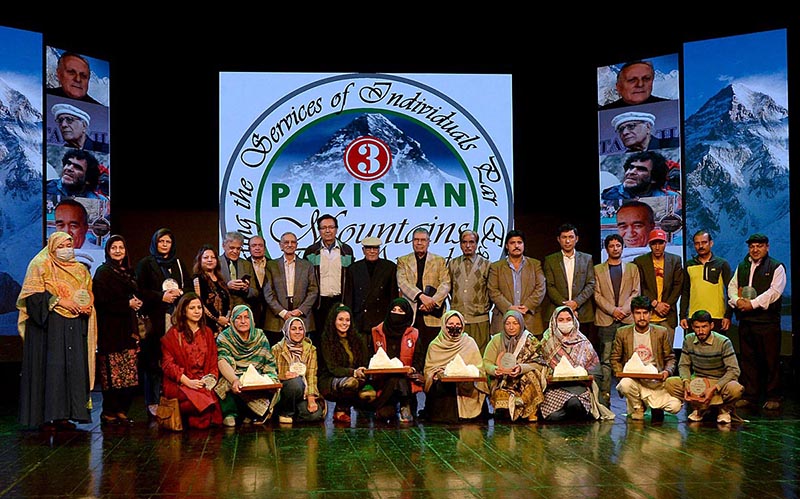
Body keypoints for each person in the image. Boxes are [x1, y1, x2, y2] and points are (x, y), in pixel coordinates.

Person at [17, 232, 97, 430]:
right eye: (61, 245)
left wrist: (87, 307)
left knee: (72, 370)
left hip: (74, 325)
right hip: (49, 329)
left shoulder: (80, 270)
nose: (66, 249)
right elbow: (32, 298)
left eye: (69, 244)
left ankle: (66, 415)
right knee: (51, 370)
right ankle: (47, 417)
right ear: (52, 246)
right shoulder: (40, 265)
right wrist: (60, 301)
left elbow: (86, 294)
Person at [727, 233, 786, 411]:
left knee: (770, 360)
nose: (755, 249)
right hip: (746, 321)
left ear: (767, 247)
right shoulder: (743, 266)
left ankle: (773, 395)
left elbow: (774, 292)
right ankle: (750, 395)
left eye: (759, 246)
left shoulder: (776, 267)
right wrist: (737, 301)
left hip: (767, 322)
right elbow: (732, 286)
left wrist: (752, 304)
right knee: (748, 360)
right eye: (752, 246)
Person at [135, 227, 189, 420]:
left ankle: (171, 399)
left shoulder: (179, 264)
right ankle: (152, 401)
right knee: (153, 362)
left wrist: (180, 294)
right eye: (161, 241)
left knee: (174, 361)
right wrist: (161, 296)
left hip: (175, 319)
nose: (165, 245)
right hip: (155, 321)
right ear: (155, 243)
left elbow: (188, 287)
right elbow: (139, 290)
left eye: (168, 242)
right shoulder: (146, 264)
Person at [92, 235, 142, 425]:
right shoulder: (103, 272)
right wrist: (126, 303)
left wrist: (136, 302)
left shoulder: (128, 272)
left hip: (128, 330)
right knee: (112, 374)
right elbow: (102, 301)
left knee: (127, 374)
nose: (118, 251)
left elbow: (135, 294)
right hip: (111, 331)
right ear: (108, 250)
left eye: (121, 247)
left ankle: (121, 410)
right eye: (114, 247)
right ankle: (109, 411)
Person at [665, 310, 743, 424]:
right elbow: (684, 365)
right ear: (692, 327)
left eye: (704, 327)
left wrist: (715, 387)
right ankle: (700, 407)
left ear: (711, 325)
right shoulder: (689, 339)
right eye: (697, 327)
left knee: (736, 389)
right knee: (670, 383)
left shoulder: (723, 342)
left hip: (718, 382)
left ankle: (723, 409)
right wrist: (686, 382)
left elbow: (734, 370)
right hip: (698, 381)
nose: (701, 331)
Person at [610, 296, 681, 421]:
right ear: (632, 314)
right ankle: (638, 407)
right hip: (634, 381)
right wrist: (621, 375)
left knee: (675, 407)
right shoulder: (623, 333)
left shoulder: (661, 332)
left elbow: (670, 358)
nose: (642, 317)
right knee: (625, 384)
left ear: (650, 314)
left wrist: (667, 371)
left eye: (645, 313)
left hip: (656, 382)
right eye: (638, 313)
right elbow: (615, 358)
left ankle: (655, 407)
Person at [537, 306, 613, 422]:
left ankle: (578, 413)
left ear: (574, 321)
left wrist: (587, 378)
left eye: (568, 319)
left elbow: (595, 371)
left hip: (580, 387)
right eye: (561, 320)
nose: (565, 323)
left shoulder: (584, 342)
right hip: (555, 388)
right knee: (552, 416)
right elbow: (540, 367)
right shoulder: (546, 342)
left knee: (574, 404)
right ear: (554, 322)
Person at [160, 292, 222, 429]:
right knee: (204, 401)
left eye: (199, 308)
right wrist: (187, 381)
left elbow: (213, 361)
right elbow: (167, 365)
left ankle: (191, 416)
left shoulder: (207, 332)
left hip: (202, 381)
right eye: (192, 308)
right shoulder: (174, 334)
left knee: (205, 397)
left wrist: (209, 380)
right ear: (183, 310)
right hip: (180, 381)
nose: (197, 311)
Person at [593, 233, 641, 407]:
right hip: (606, 319)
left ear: (622, 247)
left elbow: (636, 292)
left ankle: (631, 401)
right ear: (606, 249)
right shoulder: (598, 269)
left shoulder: (632, 269)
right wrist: (613, 310)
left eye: (618, 245)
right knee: (605, 360)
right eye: (611, 246)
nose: (615, 248)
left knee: (629, 359)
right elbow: (596, 294)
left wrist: (624, 310)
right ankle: (604, 401)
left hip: (627, 320)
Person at [216, 304, 279, 427]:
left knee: (275, 387)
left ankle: (252, 414)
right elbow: (222, 361)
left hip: (257, 376)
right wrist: (234, 379)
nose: (243, 321)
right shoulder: (224, 337)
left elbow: (269, 362)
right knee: (227, 383)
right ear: (232, 320)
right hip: (235, 374)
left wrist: (270, 378)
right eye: (239, 318)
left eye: (246, 317)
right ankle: (231, 414)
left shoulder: (260, 336)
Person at [423, 310, 489, 423]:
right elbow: (429, 370)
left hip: (467, 383)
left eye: (458, 324)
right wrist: (436, 373)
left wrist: (466, 371)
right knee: (444, 386)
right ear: (444, 325)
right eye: (451, 324)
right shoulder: (435, 345)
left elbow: (479, 368)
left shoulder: (469, 342)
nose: (454, 327)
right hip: (443, 386)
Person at [482, 310, 544, 422]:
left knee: (532, 374)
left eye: (515, 323)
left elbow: (539, 364)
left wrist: (521, 368)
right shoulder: (496, 340)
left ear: (521, 324)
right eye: (508, 323)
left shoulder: (530, 340)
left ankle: (527, 406)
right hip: (503, 382)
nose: (511, 327)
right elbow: (486, 362)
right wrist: (495, 370)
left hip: (523, 382)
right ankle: (510, 408)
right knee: (503, 413)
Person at [368, 298, 424, 423]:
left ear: (407, 314)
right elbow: (370, 356)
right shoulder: (376, 332)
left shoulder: (414, 334)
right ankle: (404, 404)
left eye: (400, 311)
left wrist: (413, 369)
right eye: (394, 310)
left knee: (399, 378)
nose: (396, 313)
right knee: (385, 414)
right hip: (382, 381)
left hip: (406, 379)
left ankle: (405, 404)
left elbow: (419, 358)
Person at [303, 214, 355, 347]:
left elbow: (350, 281)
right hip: (319, 303)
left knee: (339, 339)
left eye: (331, 227)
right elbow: (306, 281)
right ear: (319, 230)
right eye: (324, 227)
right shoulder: (311, 251)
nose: (328, 230)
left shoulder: (346, 250)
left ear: (336, 229)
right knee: (319, 339)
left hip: (339, 301)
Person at [397, 227, 451, 354]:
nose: (419, 243)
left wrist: (431, 301)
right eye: (416, 240)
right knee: (411, 352)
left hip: (433, 313)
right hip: (411, 313)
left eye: (423, 240)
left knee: (432, 351)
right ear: (412, 242)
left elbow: (446, 284)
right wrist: (421, 296)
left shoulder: (439, 260)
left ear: (428, 242)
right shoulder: (403, 260)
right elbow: (402, 282)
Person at [542, 223, 596, 347]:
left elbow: (591, 284)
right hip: (558, 312)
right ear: (558, 239)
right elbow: (549, 286)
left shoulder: (587, 259)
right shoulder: (550, 260)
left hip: (582, 312)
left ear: (576, 239)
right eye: (564, 237)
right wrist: (566, 307)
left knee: (581, 349)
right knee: (558, 348)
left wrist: (576, 303)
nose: (567, 241)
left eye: (571, 237)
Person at [263, 231, 319, 346]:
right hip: (277, 318)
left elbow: (313, 290)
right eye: (286, 242)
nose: (290, 244)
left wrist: (300, 311)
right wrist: (283, 313)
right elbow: (268, 292)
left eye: (293, 242)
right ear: (280, 245)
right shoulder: (271, 265)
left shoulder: (307, 265)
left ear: (297, 245)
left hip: (303, 317)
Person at [487, 229, 546, 337]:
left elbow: (541, 287)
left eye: (519, 242)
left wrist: (528, 306)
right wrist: (509, 307)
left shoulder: (535, 264)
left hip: (529, 318)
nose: (516, 246)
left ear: (523, 245)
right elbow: (493, 291)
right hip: (503, 319)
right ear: (506, 246)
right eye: (512, 243)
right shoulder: (496, 267)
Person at [318, 304, 370, 424]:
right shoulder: (327, 339)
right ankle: (341, 410)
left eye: (347, 320)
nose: (344, 323)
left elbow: (364, 362)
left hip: (355, 377)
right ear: (334, 321)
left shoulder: (357, 339)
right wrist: (353, 372)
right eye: (340, 319)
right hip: (329, 379)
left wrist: (361, 370)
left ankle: (353, 409)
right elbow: (332, 368)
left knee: (369, 393)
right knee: (351, 383)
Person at [633, 229, 684, 346]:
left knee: (667, 354)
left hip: (668, 314)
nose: (657, 247)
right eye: (654, 243)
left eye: (660, 243)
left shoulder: (675, 260)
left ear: (665, 243)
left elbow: (678, 286)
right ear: (649, 244)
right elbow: (640, 286)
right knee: (647, 352)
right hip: (647, 316)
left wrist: (666, 305)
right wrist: (655, 304)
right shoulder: (640, 261)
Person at [271, 316, 325, 424]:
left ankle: (292, 413)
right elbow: (270, 374)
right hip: (285, 392)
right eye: (293, 329)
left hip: (303, 394)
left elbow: (311, 375)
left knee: (316, 415)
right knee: (295, 383)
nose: (297, 332)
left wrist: (311, 399)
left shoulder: (311, 349)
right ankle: (285, 412)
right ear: (287, 330)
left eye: (300, 329)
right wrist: (283, 376)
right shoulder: (276, 349)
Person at [680, 230, 733, 333]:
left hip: (717, 317)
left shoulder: (722, 264)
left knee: (717, 348)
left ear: (711, 243)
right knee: (694, 349)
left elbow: (731, 292)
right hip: (694, 317)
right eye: (697, 243)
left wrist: (728, 316)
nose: (701, 246)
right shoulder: (689, 265)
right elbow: (685, 292)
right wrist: (682, 316)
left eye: (704, 242)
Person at [447, 229, 492, 352]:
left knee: (479, 355)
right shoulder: (453, 264)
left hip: (479, 320)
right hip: (459, 320)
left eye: (471, 242)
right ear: (460, 244)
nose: (468, 245)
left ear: (477, 244)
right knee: (458, 357)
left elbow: (491, 292)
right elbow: (449, 289)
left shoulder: (486, 265)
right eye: (464, 242)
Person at [350, 236, 398, 338]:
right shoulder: (353, 269)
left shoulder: (389, 267)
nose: (372, 251)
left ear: (379, 250)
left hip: (381, 319)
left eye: (375, 248)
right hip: (360, 320)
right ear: (363, 250)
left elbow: (393, 296)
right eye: (368, 248)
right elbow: (349, 296)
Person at [601, 151, 679, 202]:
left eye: (641, 169)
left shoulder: (671, 197)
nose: (631, 172)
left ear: (654, 178)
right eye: (631, 167)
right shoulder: (608, 195)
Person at [191, 244, 232, 335]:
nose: (210, 260)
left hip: (225, 326)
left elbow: (228, 301)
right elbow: (200, 303)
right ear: (200, 260)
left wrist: (226, 318)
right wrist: (218, 319)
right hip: (207, 326)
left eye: (213, 257)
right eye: (206, 257)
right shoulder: (197, 279)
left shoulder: (221, 280)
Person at [599, 60, 668, 109]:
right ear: (618, 87)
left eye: (646, 79)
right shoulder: (603, 112)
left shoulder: (669, 106)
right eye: (632, 80)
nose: (640, 84)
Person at [219, 231, 258, 308]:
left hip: (242, 310)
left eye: (238, 248)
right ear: (223, 246)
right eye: (232, 248)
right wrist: (227, 286)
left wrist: (246, 290)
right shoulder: (216, 263)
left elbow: (255, 292)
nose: (235, 251)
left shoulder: (247, 265)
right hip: (221, 309)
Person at [610, 111, 679, 152]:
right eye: (621, 130)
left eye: (631, 126)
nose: (624, 133)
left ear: (648, 127)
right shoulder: (626, 154)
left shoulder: (673, 144)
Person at [246, 234, 269, 327]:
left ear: (264, 248)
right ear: (249, 248)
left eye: (260, 245)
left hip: (270, 312)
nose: (257, 248)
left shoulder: (273, 264)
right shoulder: (243, 265)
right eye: (254, 245)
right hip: (251, 310)